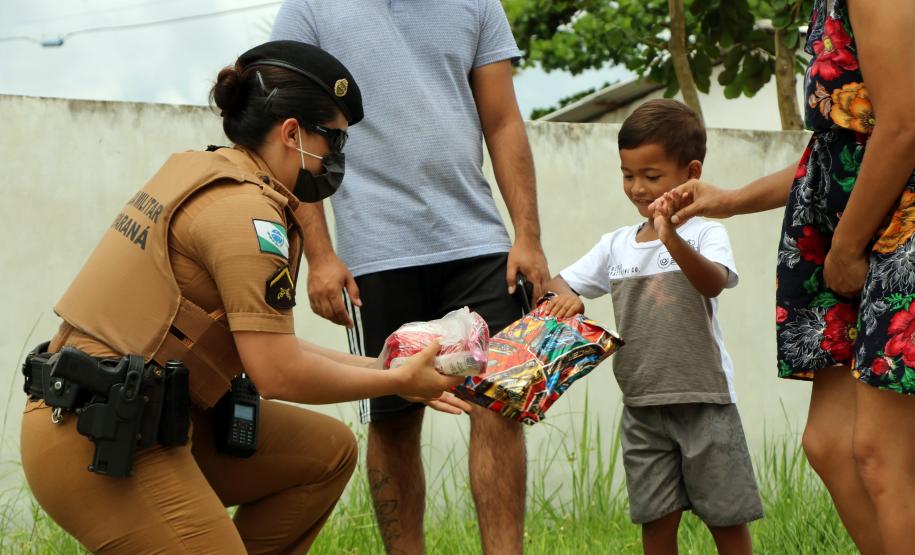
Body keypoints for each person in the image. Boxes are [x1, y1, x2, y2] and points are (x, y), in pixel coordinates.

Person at [19, 40, 464, 554]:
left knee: (327, 453)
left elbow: (275, 346)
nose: (336, 159)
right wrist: (393, 382)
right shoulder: (245, 216)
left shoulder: (207, 172)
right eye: (334, 141)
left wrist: (383, 369)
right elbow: (276, 372)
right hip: (99, 437)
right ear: (292, 133)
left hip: (140, 414)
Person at [271, 2, 550, 553]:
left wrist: (528, 236)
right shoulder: (309, 8)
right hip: (375, 252)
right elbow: (289, 132)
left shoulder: (478, 4)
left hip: (477, 243)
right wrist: (321, 255)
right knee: (393, 414)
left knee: (498, 404)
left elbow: (503, 119)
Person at [653, 1, 915, 552]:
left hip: (896, 231)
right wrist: (730, 200)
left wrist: (845, 248)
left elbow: (902, 127)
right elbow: (837, 149)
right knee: (830, 445)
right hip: (846, 228)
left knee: (880, 452)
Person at [545, 99, 763, 555]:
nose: (637, 188)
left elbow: (712, 283)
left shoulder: (706, 232)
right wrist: (564, 296)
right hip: (643, 408)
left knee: (726, 519)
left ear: (691, 172)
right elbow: (559, 283)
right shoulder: (616, 246)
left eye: (651, 176)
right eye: (628, 175)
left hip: (706, 401)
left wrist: (672, 237)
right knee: (655, 519)